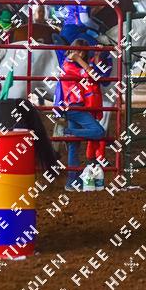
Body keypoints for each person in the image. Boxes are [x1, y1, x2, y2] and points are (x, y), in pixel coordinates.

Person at [59, 39, 106, 191]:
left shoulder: (73, 65)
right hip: (75, 107)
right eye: (77, 51)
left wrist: (96, 55)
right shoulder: (70, 65)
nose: (79, 54)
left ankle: (72, 182)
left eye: (82, 52)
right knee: (99, 132)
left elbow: (96, 73)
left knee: (74, 145)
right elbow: (94, 76)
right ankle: (67, 132)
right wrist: (79, 59)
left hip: (75, 107)